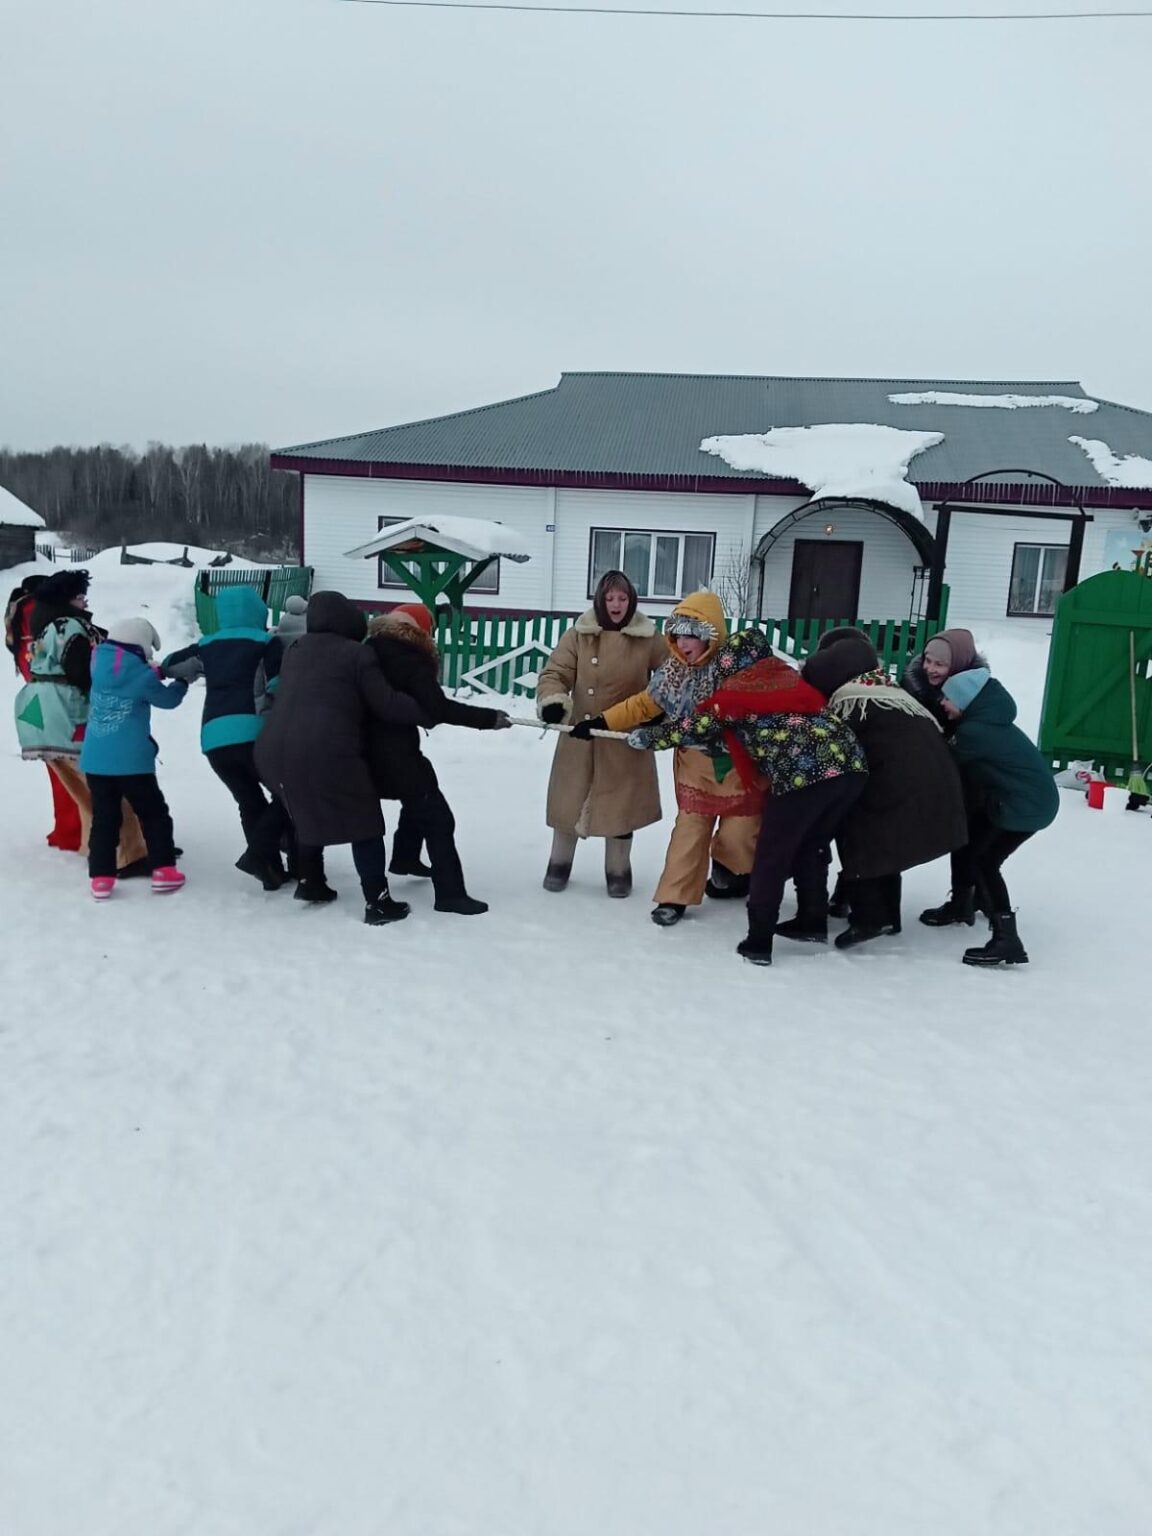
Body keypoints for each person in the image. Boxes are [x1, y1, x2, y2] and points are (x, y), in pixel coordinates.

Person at [626, 628, 868, 965]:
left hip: (804, 773)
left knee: (772, 854)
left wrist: (649, 738)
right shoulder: (789, 678)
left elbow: (694, 726)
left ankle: (758, 942)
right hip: (851, 764)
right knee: (812, 843)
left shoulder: (735, 693)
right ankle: (812, 920)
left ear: (730, 664)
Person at [578, 591, 763, 926]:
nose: (683, 642)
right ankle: (673, 898)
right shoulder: (675, 671)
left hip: (740, 767)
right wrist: (601, 722)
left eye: (692, 634)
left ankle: (730, 872)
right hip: (695, 765)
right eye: (677, 634)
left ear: (711, 634)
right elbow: (644, 704)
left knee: (741, 833)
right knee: (690, 830)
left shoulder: (735, 669)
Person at [254, 591, 430, 926]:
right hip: (325, 749)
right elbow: (386, 703)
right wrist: (426, 710)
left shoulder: (296, 649)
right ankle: (377, 902)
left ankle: (310, 882)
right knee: (364, 822)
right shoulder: (357, 654)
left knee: (305, 811)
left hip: (273, 747)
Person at [799, 629, 969, 949]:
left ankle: (869, 918)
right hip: (932, 779)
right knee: (887, 841)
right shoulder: (884, 690)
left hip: (901, 780)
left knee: (861, 834)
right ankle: (888, 915)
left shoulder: (852, 701)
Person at [365, 603, 511, 916]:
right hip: (396, 755)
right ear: (421, 632)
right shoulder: (409, 658)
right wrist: (489, 718)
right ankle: (451, 894)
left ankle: (405, 857)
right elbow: (438, 708)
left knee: (419, 793)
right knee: (438, 818)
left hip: (363, 752)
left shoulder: (369, 650)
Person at [534, 571, 668, 897]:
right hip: (579, 735)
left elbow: (668, 679)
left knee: (622, 809)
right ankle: (558, 864)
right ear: (599, 600)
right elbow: (556, 672)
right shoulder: (579, 634)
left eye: (622, 598)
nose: (616, 604)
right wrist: (553, 701)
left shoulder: (648, 637)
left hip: (624, 740)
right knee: (568, 802)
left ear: (631, 600)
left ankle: (618, 871)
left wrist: (657, 713)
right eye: (609, 598)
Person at [14, 568, 148, 872]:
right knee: (109, 784)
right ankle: (129, 855)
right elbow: (81, 671)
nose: (84, 601)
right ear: (67, 599)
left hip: (39, 718)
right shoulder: (72, 627)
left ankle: (93, 844)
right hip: (69, 715)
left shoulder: (45, 627)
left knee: (83, 792)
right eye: (79, 596)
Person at [163, 585, 288, 889]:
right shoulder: (267, 642)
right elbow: (277, 685)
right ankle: (259, 855)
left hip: (214, 738)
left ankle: (269, 872)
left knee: (248, 801)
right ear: (257, 611)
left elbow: (170, 665)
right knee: (288, 795)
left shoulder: (206, 645)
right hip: (254, 733)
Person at [935, 667, 1059, 966]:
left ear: (965, 701)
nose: (942, 703)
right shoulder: (986, 721)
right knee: (969, 842)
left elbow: (944, 763)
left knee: (984, 861)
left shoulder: (976, 732)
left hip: (1026, 806)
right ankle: (963, 905)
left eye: (948, 699)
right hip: (1022, 799)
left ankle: (1007, 939)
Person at [80, 619, 189, 899]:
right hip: (132, 762)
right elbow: (167, 700)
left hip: (95, 760)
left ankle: (101, 878)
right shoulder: (141, 677)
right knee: (154, 815)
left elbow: (123, 673)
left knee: (105, 819)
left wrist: (149, 672)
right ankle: (164, 871)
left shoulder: (97, 664)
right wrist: (181, 682)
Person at [6, 572, 81, 850]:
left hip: (39, 702)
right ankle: (82, 831)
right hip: (66, 703)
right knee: (82, 769)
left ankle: (67, 830)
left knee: (59, 772)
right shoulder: (46, 616)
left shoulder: (17, 618)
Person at [901, 627, 987, 726]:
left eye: (939, 664)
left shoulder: (975, 692)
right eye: (928, 660)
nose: (930, 669)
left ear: (957, 665)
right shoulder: (913, 684)